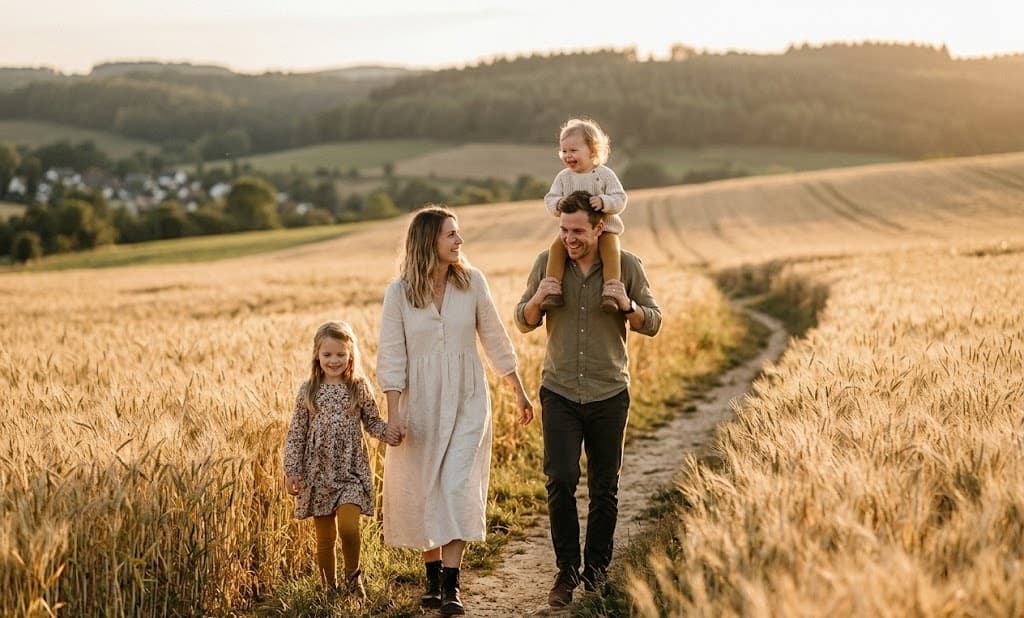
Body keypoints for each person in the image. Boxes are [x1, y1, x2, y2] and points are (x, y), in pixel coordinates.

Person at [377, 205, 534, 616]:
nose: (459, 240)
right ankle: (431, 580)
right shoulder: (399, 293)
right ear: (429, 241)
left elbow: (495, 337)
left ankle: (452, 585)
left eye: (458, 233)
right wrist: (394, 414)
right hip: (420, 402)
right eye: (451, 234)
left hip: (468, 397)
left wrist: (518, 390)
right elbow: (392, 356)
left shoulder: (472, 282)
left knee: (457, 484)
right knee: (424, 485)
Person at [515, 190, 662, 608]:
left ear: (600, 228)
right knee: (560, 480)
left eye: (578, 230)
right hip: (558, 390)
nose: (570, 238)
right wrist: (538, 300)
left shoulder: (627, 266)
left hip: (608, 391)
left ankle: (596, 572)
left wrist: (628, 306)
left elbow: (653, 320)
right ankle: (566, 572)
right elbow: (523, 320)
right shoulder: (547, 263)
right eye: (563, 230)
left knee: (604, 488)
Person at [283, 321, 403, 599]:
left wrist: (391, 433)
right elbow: (296, 434)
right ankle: (329, 590)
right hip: (317, 474)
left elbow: (373, 423)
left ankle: (353, 579)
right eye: (327, 355)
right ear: (317, 355)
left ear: (351, 355)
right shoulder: (308, 390)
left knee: (349, 528)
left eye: (340, 354)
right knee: (325, 539)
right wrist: (292, 471)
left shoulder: (359, 387)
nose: (333, 360)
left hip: (351, 471)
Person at [541, 117, 628, 314]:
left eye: (573, 150)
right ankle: (552, 291)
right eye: (564, 151)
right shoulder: (563, 178)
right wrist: (558, 204)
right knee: (556, 248)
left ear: (593, 151)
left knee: (611, 251)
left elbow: (620, 198)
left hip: (606, 229)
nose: (567, 155)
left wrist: (604, 201)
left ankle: (611, 294)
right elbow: (550, 198)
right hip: (574, 230)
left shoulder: (604, 175)